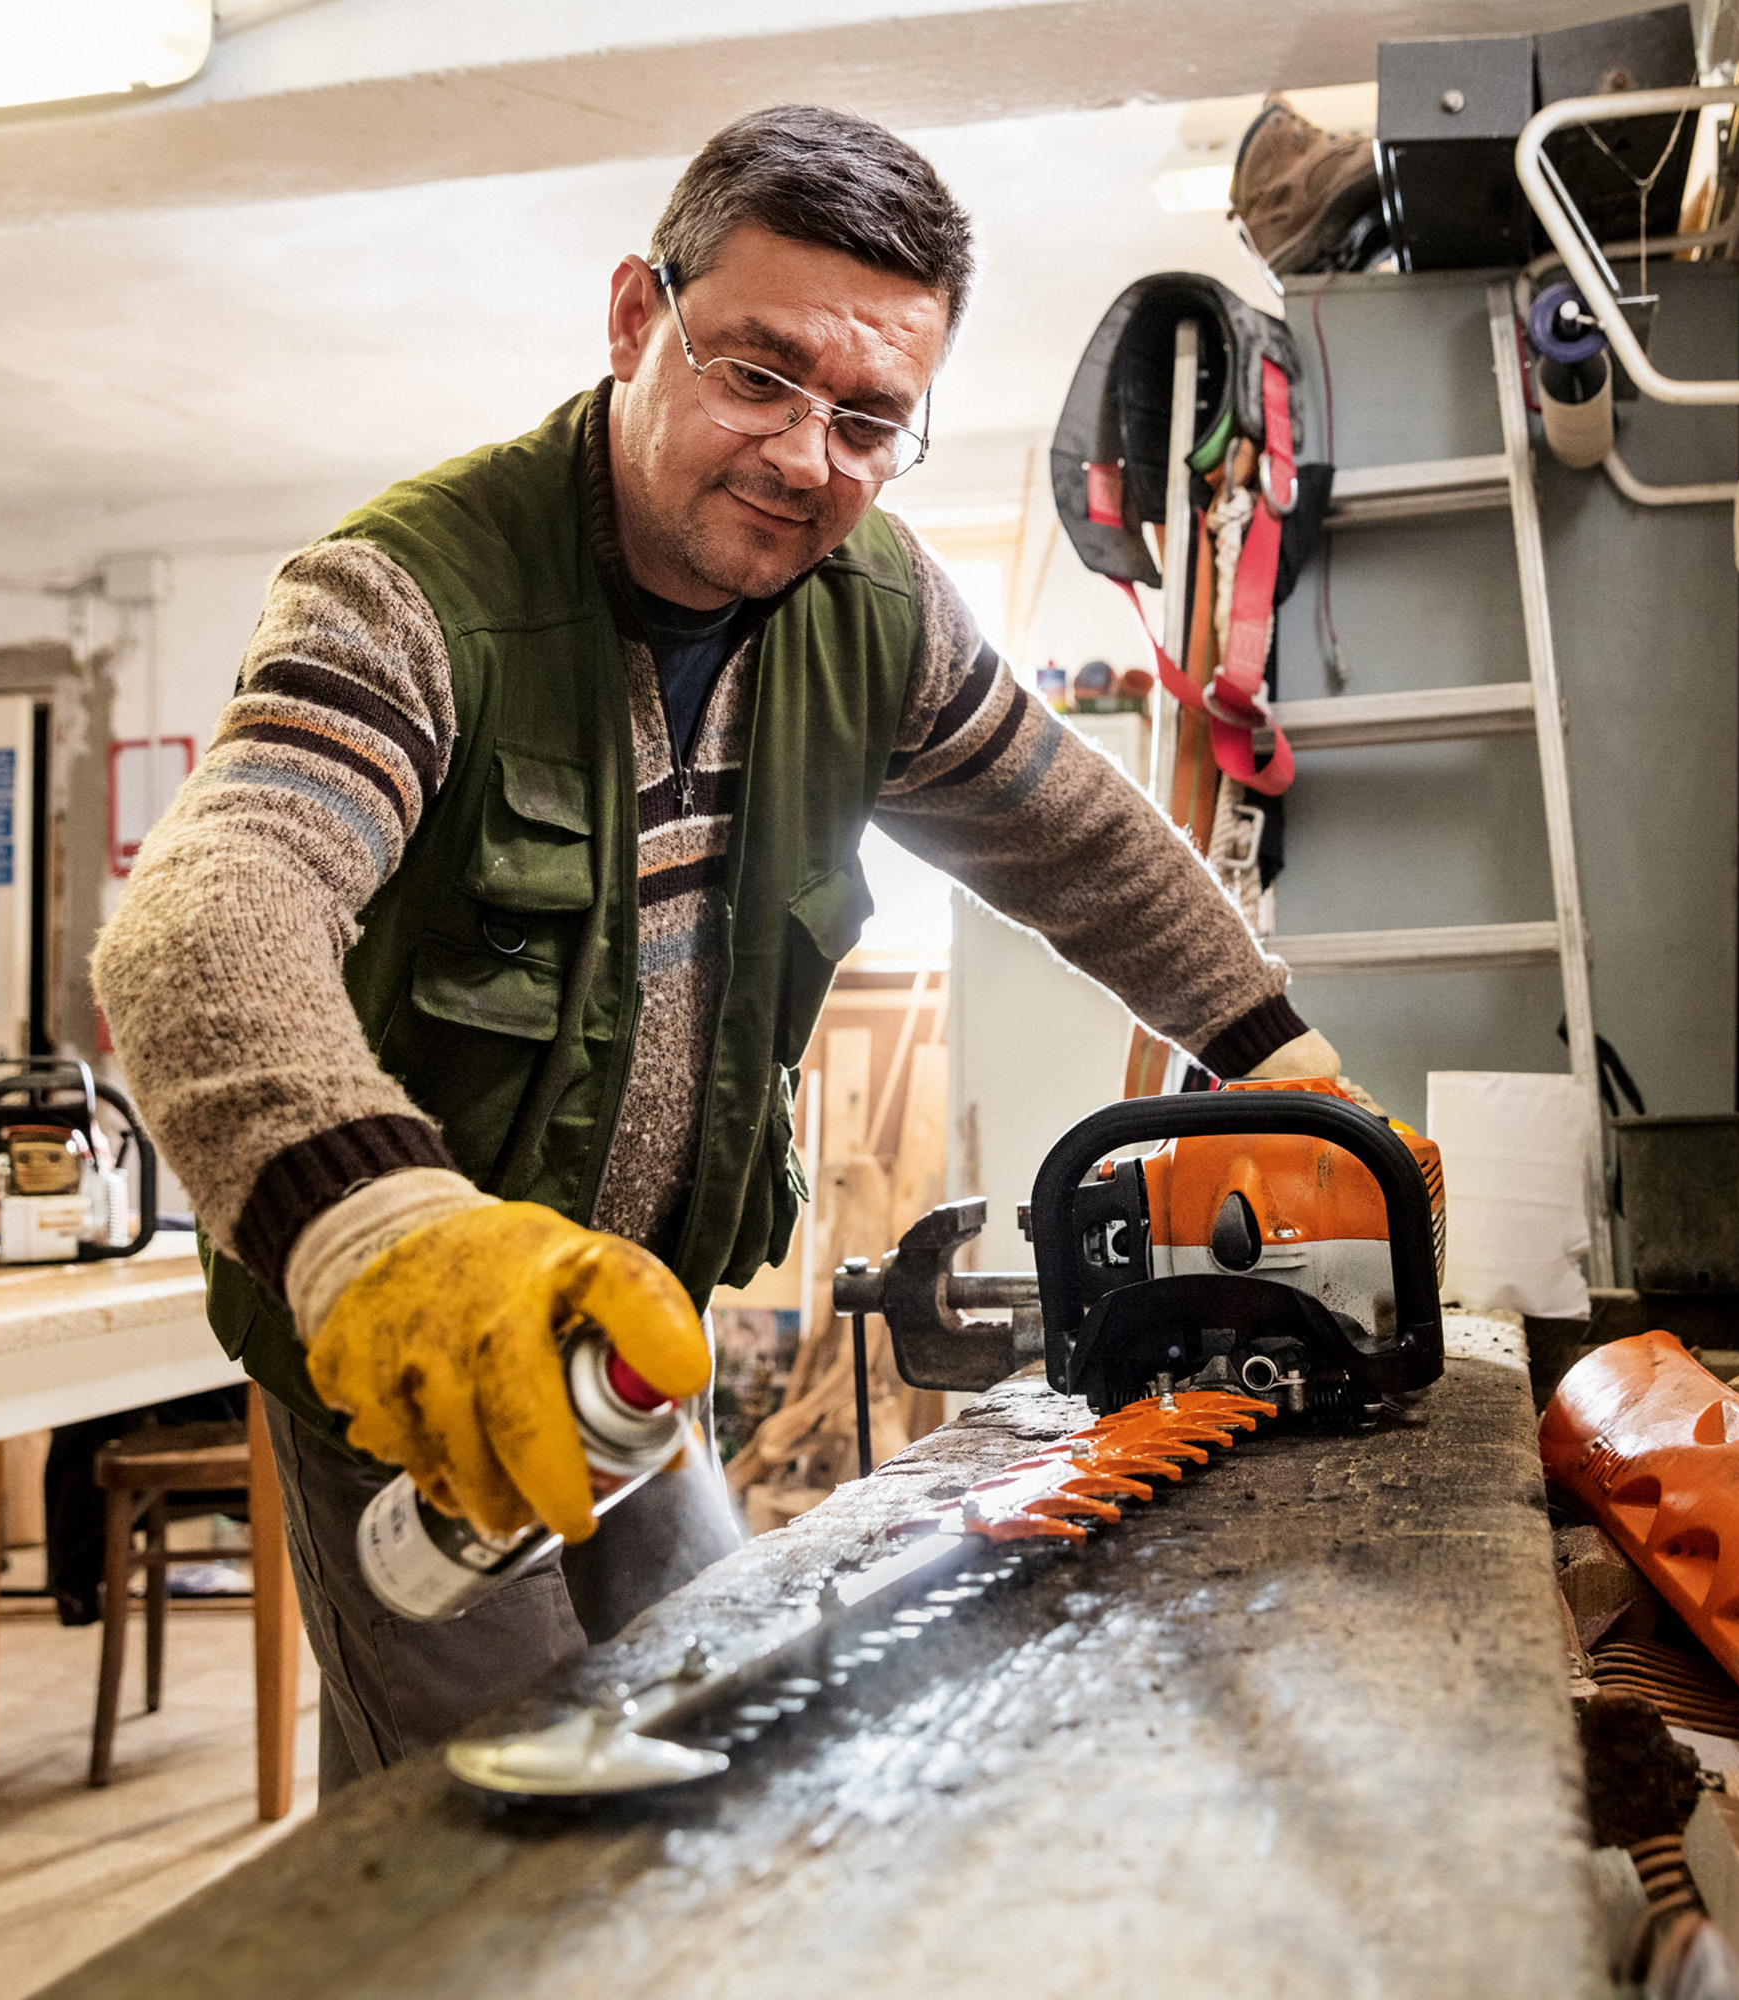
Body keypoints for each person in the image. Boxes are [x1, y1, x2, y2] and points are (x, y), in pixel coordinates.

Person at [91, 103, 1370, 1788]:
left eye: (868, 418)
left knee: (724, 1740)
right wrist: (382, 1236)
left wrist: (1287, 1067)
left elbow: (1076, 838)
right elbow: (205, 920)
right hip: (410, 1358)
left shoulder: (878, 608)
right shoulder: (406, 598)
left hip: (639, 1340)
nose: (800, 456)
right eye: (757, 374)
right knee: (493, 1816)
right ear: (636, 318)